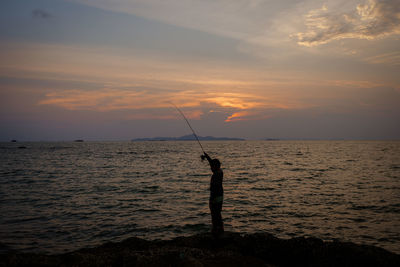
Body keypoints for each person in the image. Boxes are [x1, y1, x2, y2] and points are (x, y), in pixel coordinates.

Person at [201, 152, 224, 237]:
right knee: (218, 213)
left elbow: (215, 188)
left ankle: (216, 230)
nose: (210, 168)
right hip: (220, 196)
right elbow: (212, 162)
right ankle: (220, 229)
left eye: (211, 167)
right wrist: (207, 157)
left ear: (215, 167)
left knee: (215, 214)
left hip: (215, 197)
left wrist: (212, 199)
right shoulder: (220, 171)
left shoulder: (216, 175)